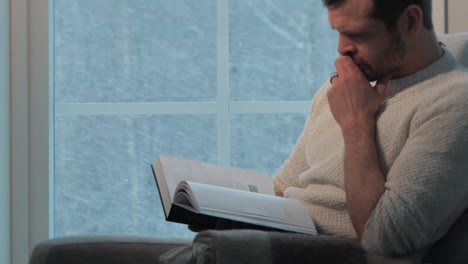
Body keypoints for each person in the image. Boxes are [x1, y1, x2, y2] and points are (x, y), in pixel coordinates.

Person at [273, 0, 468, 260]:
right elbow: (284, 187)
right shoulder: (347, 85)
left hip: (333, 254)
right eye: (338, 32)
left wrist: (356, 125)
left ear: (409, 22)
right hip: (284, 237)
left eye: (358, 35)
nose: (342, 49)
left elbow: (385, 238)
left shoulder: (454, 100)